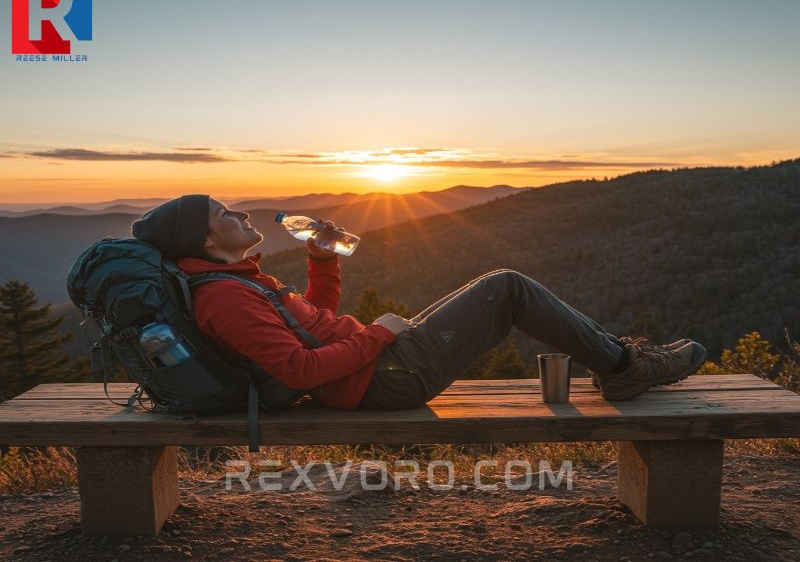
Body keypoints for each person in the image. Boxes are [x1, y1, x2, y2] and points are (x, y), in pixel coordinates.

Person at [130, 194, 707, 411]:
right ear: (206, 242)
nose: (241, 215)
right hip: (383, 379)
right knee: (506, 286)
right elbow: (299, 369)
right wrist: (379, 334)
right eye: (224, 215)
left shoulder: (241, 282)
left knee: (497, 286)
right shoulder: (226, 299)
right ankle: (626, 369)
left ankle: (618, 363)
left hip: (374, 363)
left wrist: (324, 259)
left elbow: (313, 322)